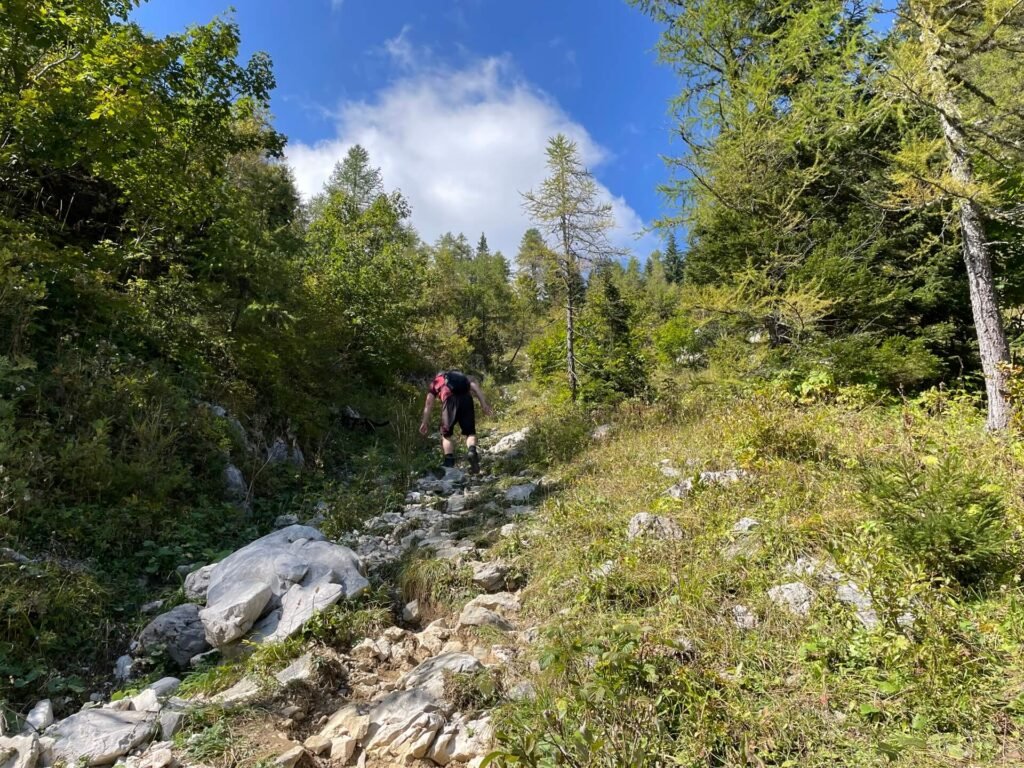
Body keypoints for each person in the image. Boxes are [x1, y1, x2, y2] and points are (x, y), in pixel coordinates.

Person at [419, 370, 493, 473]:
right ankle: (472, 451)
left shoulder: (436, 382)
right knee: (470, 432)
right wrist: (483, 404)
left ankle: (449, 462)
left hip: (449, 402)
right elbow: (475, 388)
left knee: (446, 434)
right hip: (466, 399)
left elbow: (429, 403)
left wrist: (424, 421)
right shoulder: (461, 378)